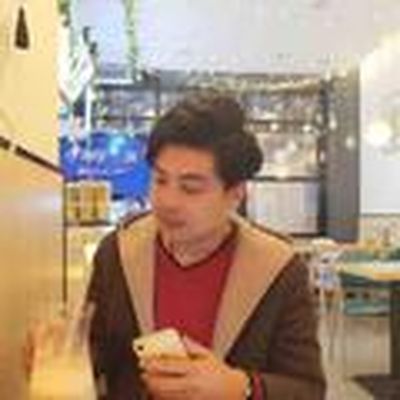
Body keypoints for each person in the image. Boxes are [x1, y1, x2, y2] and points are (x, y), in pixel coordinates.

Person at [86, 92, 326, 399]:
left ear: (235, 194)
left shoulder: (278, 268)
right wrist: (60, 353)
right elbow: (95, 353)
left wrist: (240, 387)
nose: (168, 202)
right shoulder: (119, 252)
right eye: (160, 180)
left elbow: (308, 389)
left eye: (190, 188)